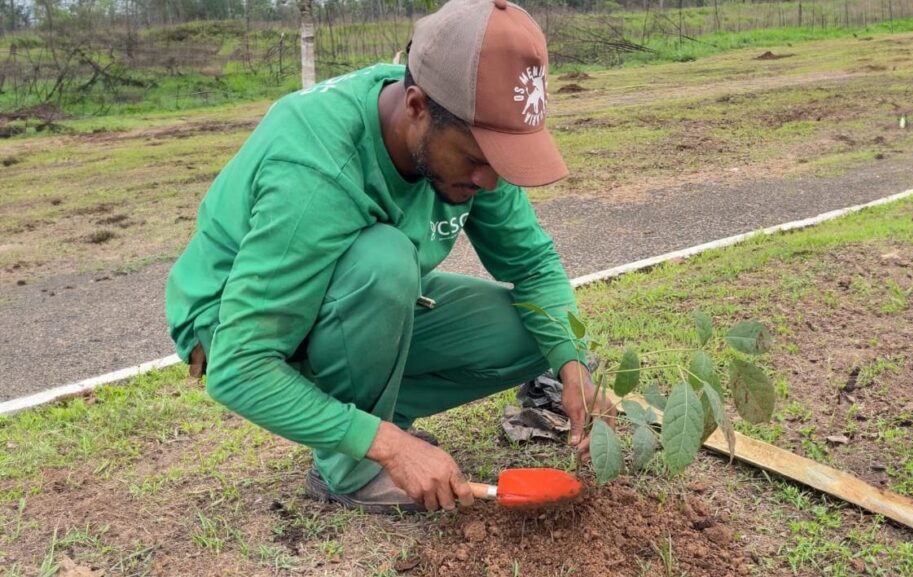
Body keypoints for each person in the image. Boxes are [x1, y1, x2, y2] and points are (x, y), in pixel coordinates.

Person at [165, 0, 611, 514]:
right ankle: (350, 468)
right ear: (417, 107)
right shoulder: (316, 170)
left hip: (355, 298)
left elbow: (533, 266)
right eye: (475, 160)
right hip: (239, 325)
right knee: (384, 261)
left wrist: (573, 367)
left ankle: (367, 417)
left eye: (500, 161)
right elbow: (238, 368)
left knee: (537, 332)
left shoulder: (465, 133)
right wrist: (392, 449)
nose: (489, 181)